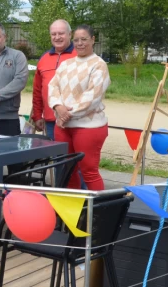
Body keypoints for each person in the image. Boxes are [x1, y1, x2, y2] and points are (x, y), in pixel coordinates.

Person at [49, 24, 110, 191]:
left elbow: (92, 97)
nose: (80, 43)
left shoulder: (99, 65)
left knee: (89, 172)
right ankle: (74, 207)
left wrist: (66, 114)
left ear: (93, 39)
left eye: (84, 39)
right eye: (76, 40)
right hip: (63, 126)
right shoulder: (66, 64)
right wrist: (57, 106)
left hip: (88, 127)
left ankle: (97, 207)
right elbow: (53, 87)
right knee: (68, 171)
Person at [32, 19, 77, 140]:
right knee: (55, 152)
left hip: (75, 120)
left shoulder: (79, 56)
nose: (57, 37)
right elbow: (37, 90)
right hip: (51, 121)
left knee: (76, 152)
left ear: (70, 34)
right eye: (54, 34)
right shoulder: (44, 58)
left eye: (61, 33)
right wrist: (37, 115)